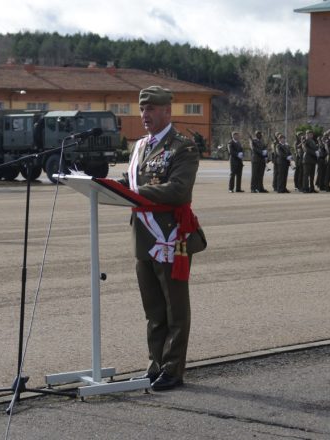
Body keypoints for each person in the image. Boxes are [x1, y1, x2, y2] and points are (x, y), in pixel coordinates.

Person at [119, 85, 206, 391]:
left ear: (167, 111)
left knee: (175, 308)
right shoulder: (140, 147)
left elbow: (179, 189)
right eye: (143, 109)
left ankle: (173, 368)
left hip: (170, 237)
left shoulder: (183, 147)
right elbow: (132, 181)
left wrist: (134, 193)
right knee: (153, 309)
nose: (145, 115)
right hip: (143, 237)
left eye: (152, 109)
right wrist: (106, 186)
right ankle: (156, 363)